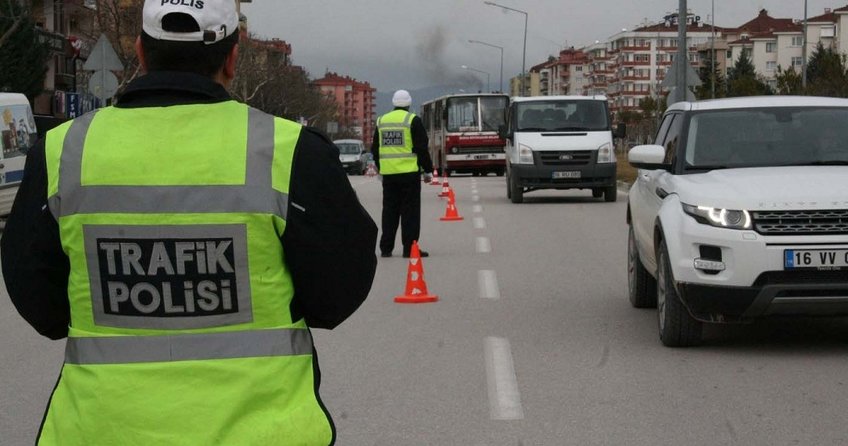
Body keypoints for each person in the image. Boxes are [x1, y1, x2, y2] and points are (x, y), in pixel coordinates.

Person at [0, 1, 377, 444]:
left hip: (102, 431)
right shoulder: (290, 151)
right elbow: (337, 294)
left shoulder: (62, 151)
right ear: (233, 59)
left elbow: (38, 300)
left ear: (140, 52)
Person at [371, 89, 434, 258]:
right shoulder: (413, 120)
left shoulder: (381, 121)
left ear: (393, 102)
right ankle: (409, 249)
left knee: (389, 211)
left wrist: (380, 167)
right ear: (408, 103)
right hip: (409, 175)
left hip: (389, 176)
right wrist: (428, 170)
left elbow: (375, 149)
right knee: (410, 212)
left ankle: (386, 248)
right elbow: (421, 148)